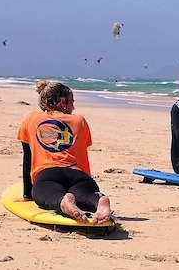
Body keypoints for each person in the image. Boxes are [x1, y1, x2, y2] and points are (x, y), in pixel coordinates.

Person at [17, 81, 112, 224]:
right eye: (72, 102)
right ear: (63, 102)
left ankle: (63, 201)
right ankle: (99, 201)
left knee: (49, 194)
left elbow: (27, 158)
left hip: (48, 175)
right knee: (85, 195)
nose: (73, 107)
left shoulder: (31, 118)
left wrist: (27, 194)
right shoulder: (80, 120)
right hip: (78, 175)